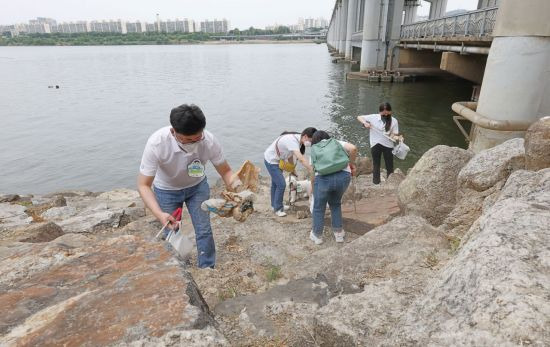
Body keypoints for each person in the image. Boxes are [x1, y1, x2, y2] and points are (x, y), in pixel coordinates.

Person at [137, 104, 240, 269]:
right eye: (188, 139)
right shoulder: (157, 143)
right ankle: (178, 269)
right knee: (171, 231)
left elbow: (226, 171)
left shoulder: (209, 141)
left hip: (197, 187)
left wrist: (239, 191)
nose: (194, 142)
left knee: (204, 229)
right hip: (166, 190)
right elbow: (143, 185)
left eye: (197, 137)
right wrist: (159, 214)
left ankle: (207, 267)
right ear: (173, 132)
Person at [309, 130, 357, 245]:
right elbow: (353, 148)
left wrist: (312, 187)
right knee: (335, 204)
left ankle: (317, 236)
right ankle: (338, 233)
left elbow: (312, 172)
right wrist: (351, 164)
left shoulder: (314, 148)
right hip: (343, 177)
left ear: (314, 140)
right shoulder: (336, 142)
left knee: (318, 207)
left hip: (323, 180)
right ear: (327, 137)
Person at [264, 127, 316, 217]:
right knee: (281, 184)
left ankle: (275, 205)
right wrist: (311, 169)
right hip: (271, 160)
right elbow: (301, 159)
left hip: (278, 160)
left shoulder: (298, 140)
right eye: (311, 141)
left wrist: (292, 170)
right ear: (306, 136)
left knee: (275, 184)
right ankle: (278, 209)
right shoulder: (292, 141)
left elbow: (290, 156)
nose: (310, 143)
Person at [357, 102, 400, 185]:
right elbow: (359, 117)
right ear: (379, 112)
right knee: (376, 164)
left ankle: (390, 182)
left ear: (390, 111)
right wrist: (365, 123)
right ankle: (376, 182)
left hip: (388, 145)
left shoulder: (394, 121)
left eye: (387, 113)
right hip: (375, 144)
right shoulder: (373, 117)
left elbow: (394, 135)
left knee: (389, 165)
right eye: (383, 114)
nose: (385, 115)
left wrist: (397, 138)